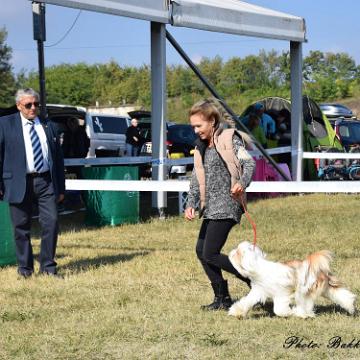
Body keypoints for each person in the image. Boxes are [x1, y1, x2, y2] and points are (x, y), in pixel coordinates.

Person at [184, 99, 256, 311]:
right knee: (201, 251)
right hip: (211, 207)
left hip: (228, 203)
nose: (196, 130)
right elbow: (196, 179)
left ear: (212, 121)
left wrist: (241, 184)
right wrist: (191, 203)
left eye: (199, 126)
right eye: (193, 127)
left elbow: (249, 163)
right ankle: (222, 298)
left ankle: (254, 282)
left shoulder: (230, 139)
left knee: (210, 253)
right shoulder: (200, 147)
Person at [0, 88, 65, 278]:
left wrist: (61, 187)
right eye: (28, 105)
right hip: (18, 182)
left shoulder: (49, 125)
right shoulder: (5, 124)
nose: (33, 108)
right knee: (21, 228)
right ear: (19, 105)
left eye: (36, 104)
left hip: (46, 182)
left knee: (51, 222)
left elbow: (58, 159)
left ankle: (48, 268)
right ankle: (25, 270)